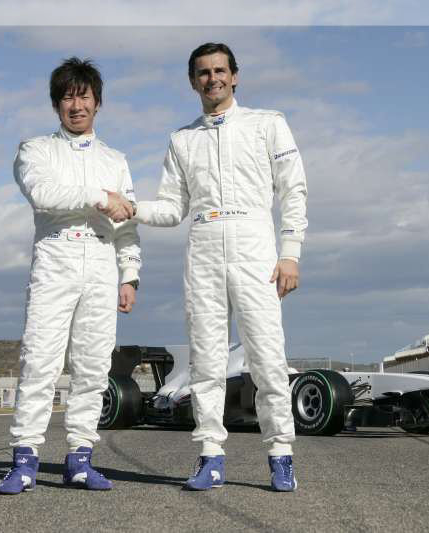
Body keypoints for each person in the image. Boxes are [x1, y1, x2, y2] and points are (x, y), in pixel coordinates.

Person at [126, 42, 307, 492]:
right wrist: (131, 208)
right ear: (193, 82)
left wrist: (290, 252)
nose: (213, 79)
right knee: (206, 362)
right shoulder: (182, 140)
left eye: (220, 70)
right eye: (204, 73)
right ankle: (210, 456)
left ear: (235, 75)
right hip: (203, 247)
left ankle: (281, 456)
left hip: (255, 247)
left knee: (267, 359)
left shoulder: (268, 124)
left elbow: (293, 190)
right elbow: (173, 208)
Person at [0, 57, 141, 494]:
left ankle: (80, 458)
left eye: (84, 97)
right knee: (40, 360)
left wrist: (130, 274)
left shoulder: (115, 159)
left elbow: (127, 222)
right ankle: (24, 459)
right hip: (55, 257)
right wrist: (100, 196)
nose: (76, 106)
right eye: (67, 98)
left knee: (93, 366)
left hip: (101, 261)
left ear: (98, 102)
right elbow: (44, 194)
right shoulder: (35, 149)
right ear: (56, 104)